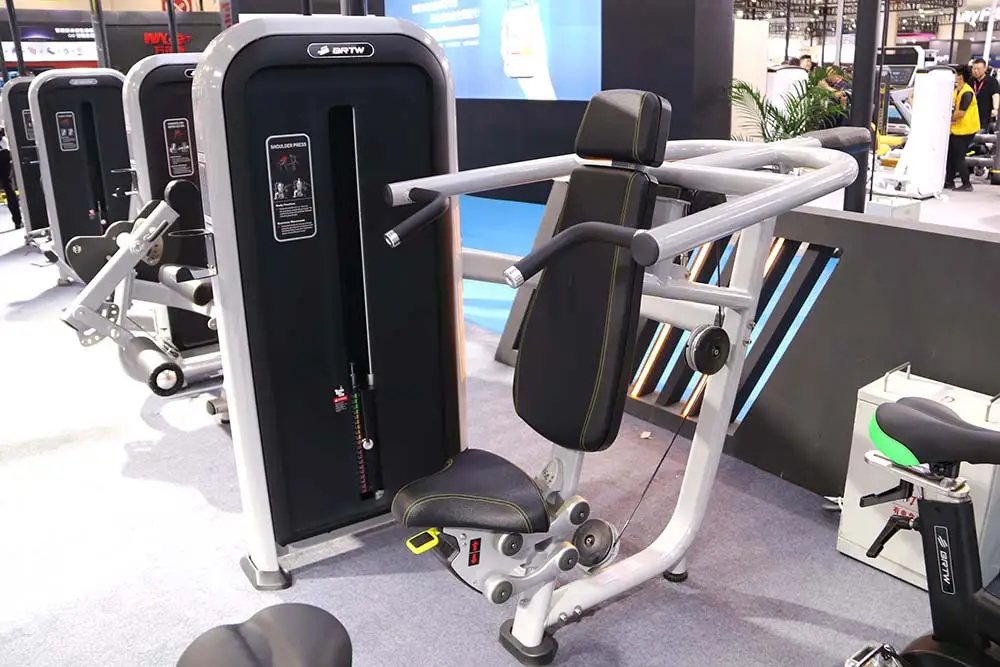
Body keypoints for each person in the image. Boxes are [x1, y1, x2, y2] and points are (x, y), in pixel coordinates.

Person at [946, 66, 980, 192]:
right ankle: (949, 181)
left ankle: (967, 184)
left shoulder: (967, 92)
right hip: (957, 129)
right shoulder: (957, 91)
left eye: (955, 74)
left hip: (966, 130)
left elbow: (960, 113)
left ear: (960, 76)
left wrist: (946, 118)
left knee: (959, 157)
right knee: (951, 155)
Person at [0, 123, 22, 231]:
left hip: (3, 152)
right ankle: (18, 220)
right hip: (2, 152)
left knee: (8, 188)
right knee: (8, 187)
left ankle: (18, 220)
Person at [969, 58, 999, 132]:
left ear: (985, 69)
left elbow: (995, 95)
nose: (976, 71)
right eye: (974, 69)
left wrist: (995, 108)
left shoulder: (992, 81)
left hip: (985, 117)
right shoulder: (970, 81)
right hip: (971, 116)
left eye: (978, 69)